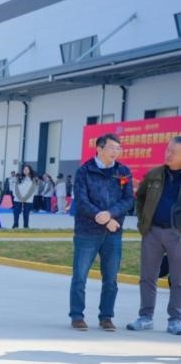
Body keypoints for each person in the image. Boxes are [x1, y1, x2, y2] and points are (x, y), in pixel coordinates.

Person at [70, 133, 134, 331]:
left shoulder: (122, 172)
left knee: (111, 278)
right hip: (87, 231)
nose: (116, 152)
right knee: (80, 276)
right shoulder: (85, 171)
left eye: (118, 148)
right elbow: (81, 201)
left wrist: (110, 214)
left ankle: (106, 316)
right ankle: (77, 315)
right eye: (112, 148)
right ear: (99, 148)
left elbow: (128, 200)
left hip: (113, 232)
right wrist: (102, 217)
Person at [126, 136, 181, 335]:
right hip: (153, 232)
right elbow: (140, 197)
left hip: (177, 235)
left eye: (173, 152)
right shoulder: (155, 174)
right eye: (168, 150)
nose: (168, 154)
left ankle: (176, 319)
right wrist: (144, 222)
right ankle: (145, 317)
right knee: (148, 276)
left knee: (178, 279)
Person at [12, 164, 37, 229]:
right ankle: (15, 224)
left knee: (26, 213)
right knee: (16, 212)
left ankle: (26, 226)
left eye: (27, 169)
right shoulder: (19, 178)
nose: (25, 170)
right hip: (18, 198)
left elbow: (32, 190)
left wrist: (25, 198)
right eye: (24, 169)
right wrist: (20, 197)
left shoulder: (33, 179)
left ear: (30, 170)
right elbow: (16, 188)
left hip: (28, 199)